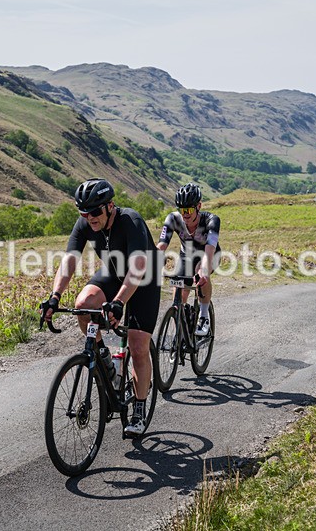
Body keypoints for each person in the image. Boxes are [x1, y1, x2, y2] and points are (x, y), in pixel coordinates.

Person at [40, 178, 161, 436]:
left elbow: (138, 269)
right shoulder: (85, 223)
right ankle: (103, 357)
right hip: (115, 273)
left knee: (137, 346)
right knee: (83, 304)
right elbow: (69, 261)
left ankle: (139, 407)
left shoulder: (131, 221)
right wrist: (54, 296)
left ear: (110, 207)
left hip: (144, 278)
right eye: (84, 212)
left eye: (94, 211)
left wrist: (118, 303)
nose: (89, 217)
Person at [156, 183, 220, 336]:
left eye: (189, 209)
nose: (185, 214)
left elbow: (210, 249)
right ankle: (182, 324)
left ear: (198, 206)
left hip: (209, 255)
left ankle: (204, 316)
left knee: (201, 271)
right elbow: (161, 245)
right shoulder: (173, 219)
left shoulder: (211, 220)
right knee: (179, 290)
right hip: (186, 256)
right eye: (182, 209)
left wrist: (204, 271)